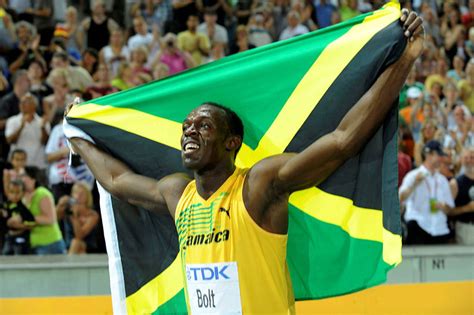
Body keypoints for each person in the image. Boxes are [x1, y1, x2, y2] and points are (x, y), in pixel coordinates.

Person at [68, 10, 424, 314]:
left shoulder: (258, 185)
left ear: (231, 143)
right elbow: (116, 182)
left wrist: (404, 59)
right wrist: (77, 136)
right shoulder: (177, 193)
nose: (189, 132)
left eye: (203, 126)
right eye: (187, 126)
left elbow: (341, 141)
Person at [399, 140, 455, 245]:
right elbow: (401, 199)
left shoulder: (442, 180)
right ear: (428, 155)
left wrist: (443, 206)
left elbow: (449, 209)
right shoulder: (413, 176)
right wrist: (415, 183)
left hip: (439, 230)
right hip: (418, 228)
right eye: (438, 155)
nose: (441, 159)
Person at [21, 166, 66, 255]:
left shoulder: (42, 193)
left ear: (33, 179)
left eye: (24, 176)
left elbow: (50, 219)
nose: (22, 179)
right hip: (36, 244)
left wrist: (28, 218)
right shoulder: (23, 197)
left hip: (50, 243)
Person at [56, 182, 99, 254]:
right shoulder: (67, 210)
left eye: (82, 194)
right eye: (76, 193)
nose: (78, 196)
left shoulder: (92, 215)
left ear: (87, 196)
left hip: (88, 247)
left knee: (76, 242)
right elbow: (54, 219)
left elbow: (79, 236)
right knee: (77, 246)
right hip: (69, 246)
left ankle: (67, 264)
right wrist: (60, 205)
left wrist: (74, 216)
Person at [1, 179, 35, 255]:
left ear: (22, 193)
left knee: (19, 256)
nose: (15, 196)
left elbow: (32, 224)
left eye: (18, 192)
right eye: (12, 192)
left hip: (21, 238)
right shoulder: (6, 205)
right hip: (7, 238)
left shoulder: (23, 208)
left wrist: (20, 226)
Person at [449, 147, 474, 245]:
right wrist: (467, 208)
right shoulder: (455, 183)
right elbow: (448, 211)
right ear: (461, 160)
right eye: (466, 158)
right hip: (465, 228)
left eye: (472, 157)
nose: (469, 161)